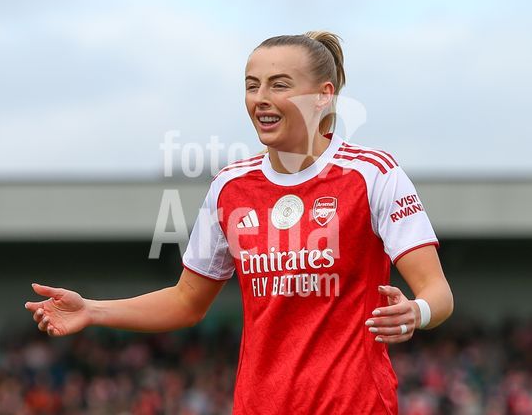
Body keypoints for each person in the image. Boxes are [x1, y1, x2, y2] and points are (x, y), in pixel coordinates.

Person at [25, 31, 454, 414]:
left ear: (323, 95)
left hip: (354, 406)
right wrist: (93, 310)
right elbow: (186, 302)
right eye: (252, 85)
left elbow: (438, 293)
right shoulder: (229, 187)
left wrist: (415, 312)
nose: (260, 98)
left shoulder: (373, 174)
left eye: (279, 85)